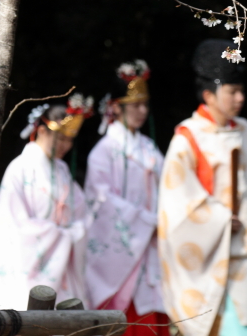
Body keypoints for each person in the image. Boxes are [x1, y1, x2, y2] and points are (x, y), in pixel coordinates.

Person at [157, 39, 247, 336]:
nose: (240, 98)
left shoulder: (245, 130)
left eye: (241, 91)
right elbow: (177, 204)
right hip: (211, 255)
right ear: (208, 94)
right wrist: (222, 220)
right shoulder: (186, 139)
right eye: (232, 91)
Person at [0, 97, 93, 310]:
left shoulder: (62, 170)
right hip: (26, 264)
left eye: (70, 139)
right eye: (60, 138)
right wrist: (64, 235)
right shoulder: (20, 168)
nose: (65, 145)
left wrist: (76, 231)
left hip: (61, 266)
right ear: (42, 131)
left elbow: (82, 212)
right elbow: (12, 225)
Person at [85, 60, 169, 336]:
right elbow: (101, 202)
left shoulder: (149, 148)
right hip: (121, 251)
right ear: (117, 107)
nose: (142, 111)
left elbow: (169, 186)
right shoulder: (103, 152)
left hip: (151, 244)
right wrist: (147, 221)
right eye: (135, 105)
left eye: (145, 104)